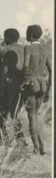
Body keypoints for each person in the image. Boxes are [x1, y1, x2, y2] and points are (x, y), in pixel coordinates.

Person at [22, 24, 52, 155]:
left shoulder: (29, 47)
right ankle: (41, 146)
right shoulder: (45, 49)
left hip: (32, 82)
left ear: (32, 35)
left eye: (28, 33)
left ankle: (35, 148)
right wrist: (49, 89)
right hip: (43, 83)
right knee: (36, 115)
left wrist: (22, 83)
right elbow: (51, 70)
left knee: (31, 116)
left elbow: (25, 66)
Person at [2, 28, 25, 120]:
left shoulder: (7, 50)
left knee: (12, 109)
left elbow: (5, 70)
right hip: (24, 81)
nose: (4, 40)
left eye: (5, 37)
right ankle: (19, 131)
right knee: (19, 108)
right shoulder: (23, 49)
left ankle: (17, 132)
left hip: (12, 81)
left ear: (9, 38)